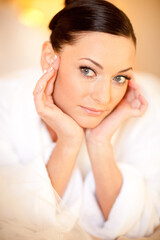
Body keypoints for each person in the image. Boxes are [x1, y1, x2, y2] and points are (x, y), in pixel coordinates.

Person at [0, 0, 160, 239]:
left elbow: (142, 219)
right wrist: (68, 140)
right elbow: (13, 213)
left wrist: (99, 142)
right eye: (87, 70)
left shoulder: (147, 101)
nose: (104, 98)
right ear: (49, 57)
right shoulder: (6, 101)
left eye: (119, 77)